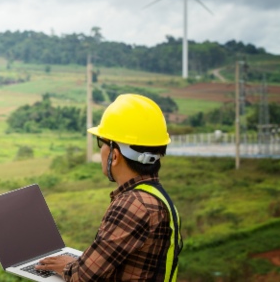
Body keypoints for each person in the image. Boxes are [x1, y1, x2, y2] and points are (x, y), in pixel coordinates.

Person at [37, 93, 183, 281]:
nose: (100, 150)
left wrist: (68, 266)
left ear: (114, 155)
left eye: (102, 142)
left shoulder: (134, 205)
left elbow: (82, 277)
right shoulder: (155, 196)